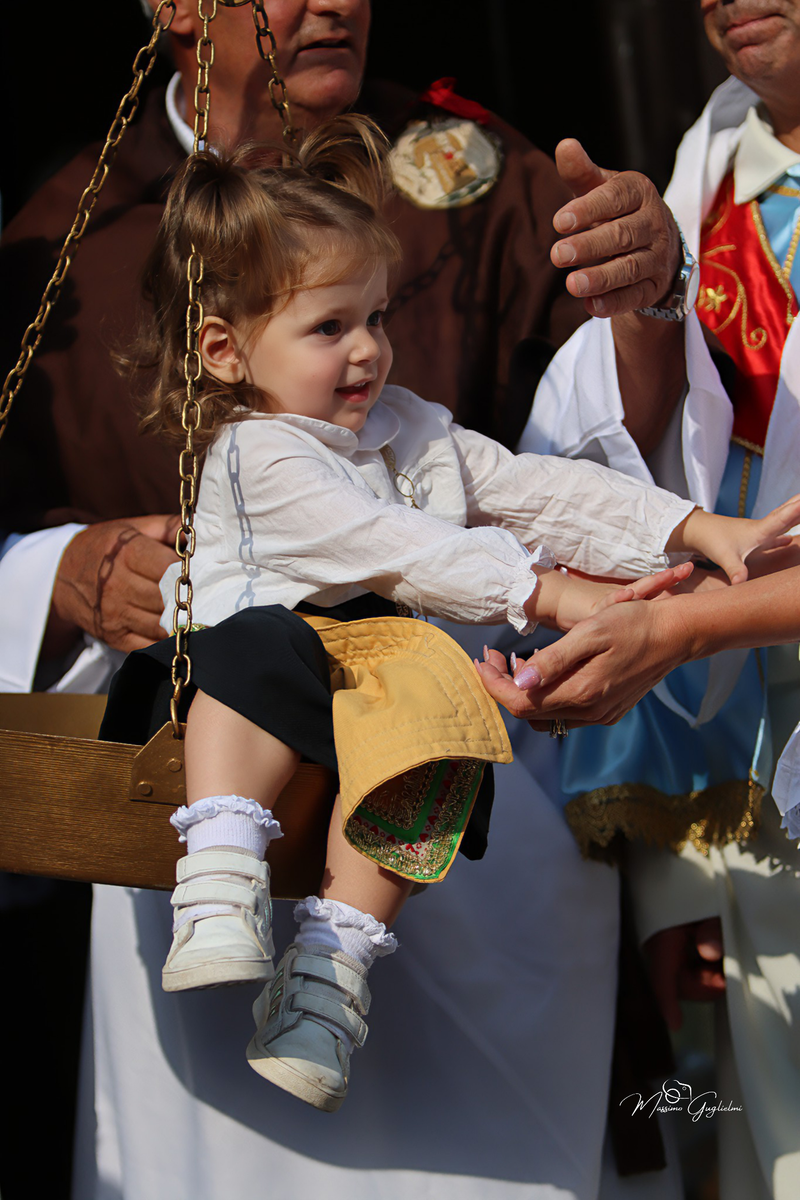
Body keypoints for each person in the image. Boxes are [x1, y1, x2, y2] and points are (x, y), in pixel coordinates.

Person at [0, 1, 700, 1197]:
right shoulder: (65, 230)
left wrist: (646, 310)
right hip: (207, 828)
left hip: (462, 820)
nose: (329, 2)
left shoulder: (472, 179)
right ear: (172, 7)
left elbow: (595, 462)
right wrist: (53, 575)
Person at [101, 115, 798, 1118]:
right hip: (244, 684)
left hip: (361, 697)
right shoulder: (258, 453)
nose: (368, 352)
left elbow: (537, 491)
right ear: (222, 350)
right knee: (255, 657)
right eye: (328, 327)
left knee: (447, 725)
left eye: (375, 318)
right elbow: (403, 551)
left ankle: (329, 977)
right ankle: (217, 872)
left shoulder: (406, 427)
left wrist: (696, 530)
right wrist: (552, 593)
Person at [481, 2, 800, 1195]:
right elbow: (638, 484)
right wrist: (651, 309)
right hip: (762, 817)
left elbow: (673, 599)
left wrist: (672, 628)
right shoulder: (706, 174)